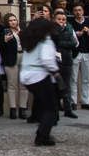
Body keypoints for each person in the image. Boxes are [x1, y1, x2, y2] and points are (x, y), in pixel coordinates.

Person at [20, 18, 60, 146]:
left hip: (26, 76)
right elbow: (47, 60)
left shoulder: (30, 40)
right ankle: (42, 136)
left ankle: (41, 130)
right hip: (40, 75)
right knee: (51, 109)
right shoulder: (45, 41)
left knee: (44, 104)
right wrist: (56, 72)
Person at [69, 4, 89, 111]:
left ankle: (85, 102)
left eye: (79, 10)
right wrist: (76, 34)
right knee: (73, 79)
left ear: (83, 11)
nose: (78, 12)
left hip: (87, 53)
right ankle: (73, 102)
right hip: (76, 53)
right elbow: (68, 36)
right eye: (75, 10)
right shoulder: (71, 23)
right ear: (73, 12)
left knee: (86, 79)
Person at [0, 13, 28, 119]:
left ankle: (23, 108)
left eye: (14, 20)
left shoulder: (22, 30)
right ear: (7, 22)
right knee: (12, 85)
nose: (13, 22)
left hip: (23, 56)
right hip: (11, 58)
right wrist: (5, 41)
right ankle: (12, 109)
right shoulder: (4, 31)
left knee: (23, 84)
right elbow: (1, 47)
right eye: (10, 20)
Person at [52, 9, 78, 119]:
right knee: (56, 86)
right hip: (55, 61)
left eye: (63, 19)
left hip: (67, 60)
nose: (61, 21)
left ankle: (68, 109)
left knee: (66, 86)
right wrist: (63, 43)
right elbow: (54, 42)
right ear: (54, 19)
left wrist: (62, 43)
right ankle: (55, 109)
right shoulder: (52, 30)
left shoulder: (68, 28)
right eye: (59, 19)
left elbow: (74, 43)